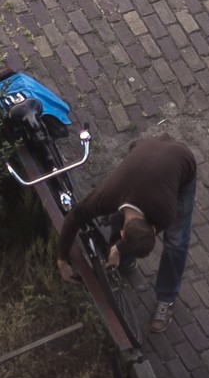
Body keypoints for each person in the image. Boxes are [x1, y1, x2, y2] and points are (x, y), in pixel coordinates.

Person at [56, 135, 197, 334]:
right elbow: (73, 218)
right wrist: (62, 260)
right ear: (123, 232)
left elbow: (143, 233)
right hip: (142, 148)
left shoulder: (166, 213)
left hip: (182, 162)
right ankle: (126, 259)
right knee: (119, 216)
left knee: (176, 242)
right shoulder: (106, 197)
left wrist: (118, 248)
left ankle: (166, 299)